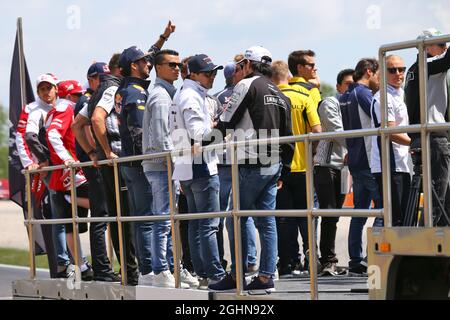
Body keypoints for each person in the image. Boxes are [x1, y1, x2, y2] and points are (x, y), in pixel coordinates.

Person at [211, 46, 294, 292]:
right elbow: (289, 136)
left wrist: (199, 145)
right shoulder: (280, 93)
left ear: (247, 64)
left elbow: (226, 122)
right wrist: (284, 170)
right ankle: (267, 278)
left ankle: (237, 275)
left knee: (236, 218)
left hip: (250, 163)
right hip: (274, 163)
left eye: (240, 66)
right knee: (266, 221)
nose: (238, 70)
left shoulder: (246, 85)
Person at [170, 54, 226, 289]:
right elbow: (198, 133)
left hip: (186, 166)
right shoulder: (191, 96)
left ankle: (203, 273)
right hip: (200, 165)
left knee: (196, 224)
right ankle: (214, 274)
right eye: (207, 73)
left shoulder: (184, 94)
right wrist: (221, 128)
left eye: (214, 72)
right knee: (208, 224)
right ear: (192, 74)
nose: (212, 76)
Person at [142, 49, 196, 288]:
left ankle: (172, 267)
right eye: (171, 65)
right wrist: (177, 168)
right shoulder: (162, 96)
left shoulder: (168, 92)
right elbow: (165, 137)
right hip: (162, 165)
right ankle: (161, 270)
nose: (177, 69)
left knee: (168, 218)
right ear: (158, 67)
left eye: (178, 65)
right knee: (164, 218)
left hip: (164, 165)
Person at [270, 60, 321, 277]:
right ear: (289, 76)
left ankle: (287, 263)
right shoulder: (304, 97)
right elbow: (317, 131)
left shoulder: (270, 100)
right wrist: (310, 153)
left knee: (283, 218)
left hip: (279, 168)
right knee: (307, 216)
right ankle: (311, 260)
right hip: (303, 167)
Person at [72, 63, 121, 282]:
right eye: (100, 78)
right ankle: (102, 268)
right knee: (101, 216)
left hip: (96, 163)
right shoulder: (89, 100)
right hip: (96, 166)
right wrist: (95, 152)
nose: (104, 81)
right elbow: (83, 125)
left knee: (107, 216)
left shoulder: (93, 97)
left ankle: (106, 267)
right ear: (91, 79)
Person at [45, 80, 93, 280]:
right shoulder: (65, 108)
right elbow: (53, 134)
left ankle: (81, 265)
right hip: (70, 170)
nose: (79, 98)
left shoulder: (56, 109)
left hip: (64, 171)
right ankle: (69, 200)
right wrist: (67, 159)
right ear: (68, 96)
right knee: (103, 204)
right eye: (76, 95)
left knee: (71, 224)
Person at [214, 56, 258, 274]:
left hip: (223, 161)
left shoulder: (217, 97)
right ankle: (248, 259)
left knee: (220, 215)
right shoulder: (249, 92)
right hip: (242, 159)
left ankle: (224, 261)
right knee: (242, 212)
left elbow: (215, 127)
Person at [340, 58, 383, 276]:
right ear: (369, 72)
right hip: (369, 160)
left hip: (355, 160)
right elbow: (381, 121)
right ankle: (370, 257)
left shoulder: (345, 95)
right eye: (378, 74)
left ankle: (356, 260)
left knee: (359, 213)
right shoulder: (364, 94)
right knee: (386, 210)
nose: (379, 80)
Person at [405, 28, 450, 225]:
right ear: (427, 47)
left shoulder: (414, 68)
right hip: (432, 135)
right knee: (438, 193)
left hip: (421, 135)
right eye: (441, 44)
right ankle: (425, 240)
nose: (445, 48)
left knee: (444, 194)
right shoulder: (427, 64)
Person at [314, 69, 353, 275]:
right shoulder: (331, 103)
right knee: (328, 213)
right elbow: (339, 133)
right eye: (347, 84)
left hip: (345, 167)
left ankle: (331, 260)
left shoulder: (355, 105)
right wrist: (360, 148)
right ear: (338, 87)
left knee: (335, 215)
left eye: (354, 84)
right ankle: (327, 261)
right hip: (326, 166)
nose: (351, 88)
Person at [371, 55, 411, 226]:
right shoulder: (383, 96)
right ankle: (376, 253)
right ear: (383, 73)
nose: (398, 73)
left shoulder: (402, 93)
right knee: (396, 219)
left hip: (404, 163)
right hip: (389, 164)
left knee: (405, 217)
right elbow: (390, 131)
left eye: (401, 69)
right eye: (392, 70)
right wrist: (417, 143)